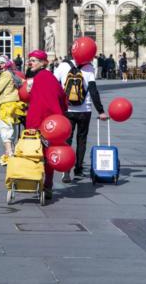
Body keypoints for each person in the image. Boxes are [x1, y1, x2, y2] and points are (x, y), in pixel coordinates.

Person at [54, 51, 107, 183]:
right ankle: (78, 168)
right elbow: (93, 91)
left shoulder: (62, 66)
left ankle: (66, 170)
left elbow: (54, 87)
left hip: (67, 109)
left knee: (67, 139)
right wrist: (101, 111)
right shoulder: (89, 68)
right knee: (81, 140)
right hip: (85, 109)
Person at [25, 50, 68, 199]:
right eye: (30, 60)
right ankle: (47, 185)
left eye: (35, 60)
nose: (31, 62)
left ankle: (36, 183)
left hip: (38, 123)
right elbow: (62, 97)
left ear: (44, 63)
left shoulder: (41, 78)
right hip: (52, 125)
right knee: (48, 154)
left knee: (35, 153)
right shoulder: (49, 78)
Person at [0, 56, 26, 166]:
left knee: (5, 129)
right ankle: (10, 152)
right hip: (13, 104)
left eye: (2, 63)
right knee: (12, 128)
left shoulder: (6, 74)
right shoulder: (13, 73)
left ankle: (10, 153)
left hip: (6, 104)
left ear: (7, 63)